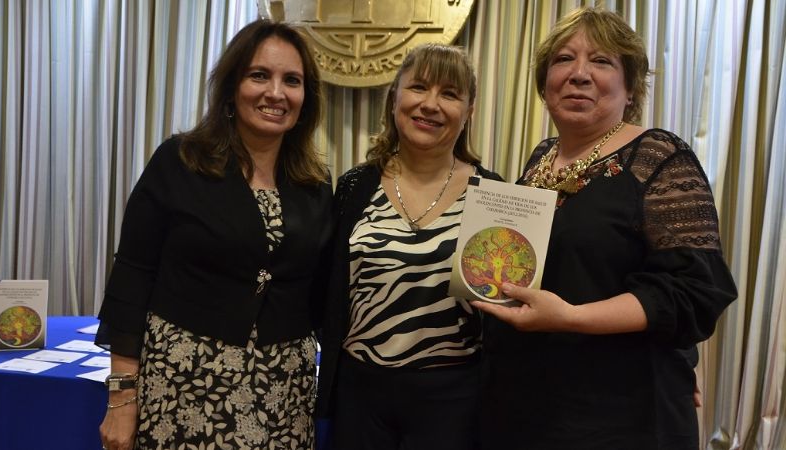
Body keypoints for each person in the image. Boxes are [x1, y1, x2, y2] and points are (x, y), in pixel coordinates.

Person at [472, 7, 737, 450]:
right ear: (543, 82)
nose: (579, 74)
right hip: (525, 404)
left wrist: (572, 318)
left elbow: (694, 291)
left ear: (630, 86)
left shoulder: (659, 157)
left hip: (621, 414)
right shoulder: (540, 158)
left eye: (601, 61)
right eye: (563, 59)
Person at [95, 20, 332, 450]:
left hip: (284, 396)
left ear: (306, 98)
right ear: (231, 86)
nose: (276, 93)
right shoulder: (179, 162)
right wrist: (121, 399)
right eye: (259, 75)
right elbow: (131, 281)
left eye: (291, 81)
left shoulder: (316, 184)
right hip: (186, 388)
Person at [316, 43, 502, 450]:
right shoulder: (353, 187)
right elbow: (327, 291)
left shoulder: (494, 194)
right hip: (359, 394)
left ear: (469, 111)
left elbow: (505, 305)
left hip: (453, 399)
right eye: (418, 87)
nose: (430, 104)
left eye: (450, 94)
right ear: (395, 97)